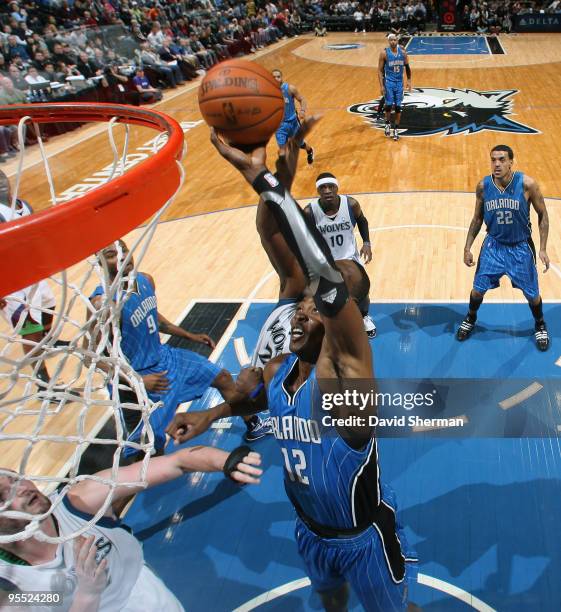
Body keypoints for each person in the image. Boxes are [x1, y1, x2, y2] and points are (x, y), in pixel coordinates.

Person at [168, 122, 418, 610]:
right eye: (305, 300)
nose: (307, 307)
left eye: (323, 301)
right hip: (308, 529)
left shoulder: (348, 376)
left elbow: (326, 281)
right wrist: (209, 416)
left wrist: (266, 179)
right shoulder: (283, 365)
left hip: (361, 537)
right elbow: (257, 396)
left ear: (347, 313)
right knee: (330, 602)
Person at [0, 445, 261, 610]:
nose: (22, 488)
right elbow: (44, 602)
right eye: (3, 495)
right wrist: (87, 596)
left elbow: (177, 462)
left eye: (16, 479)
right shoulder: (9, 586)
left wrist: (226, 460)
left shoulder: (79, 501)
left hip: (157, 600)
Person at [90, 242, 262, 457]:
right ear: (99, 264)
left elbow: (152, 315)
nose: (122, 256)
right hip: (141, 376)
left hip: (166, 357)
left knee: (222, 377)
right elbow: (92, 357)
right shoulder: (103, 304)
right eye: (111, 255)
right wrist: (138, 381)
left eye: (123, 250)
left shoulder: (145, 280)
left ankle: (254, 424)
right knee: (151, 445)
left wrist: (188, 335)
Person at [457, 145, 550, 351]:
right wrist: (467, 246)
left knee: (532, 295)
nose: (497, 164)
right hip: (493, 246)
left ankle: (540, 324)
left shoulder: (527, 184)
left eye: (501, 159)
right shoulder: (483, 186)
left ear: (511, 162)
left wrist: (542, 248)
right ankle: (471, 317)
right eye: (493, 160)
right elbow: (477, 218)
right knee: (477, 290)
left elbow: (543, 215)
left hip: (520, 248)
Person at [305, 172, 376, 338]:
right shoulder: (310, 211)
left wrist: (366, 243)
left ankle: (364, 317)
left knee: (361, 291)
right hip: (324, 262)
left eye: (331, 187)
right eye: (323, 187)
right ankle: (326, 323)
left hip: (349, 256)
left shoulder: (350, 204)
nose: (328, 190)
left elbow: (362, 220)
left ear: (337, 188)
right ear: (318, 191)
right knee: (322, 296)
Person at [272, 69, 314, 165]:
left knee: (299, 144)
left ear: (282, 78)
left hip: (293, 122)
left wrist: (302, 111)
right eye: (273, 77)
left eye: (278, 76)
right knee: (282, 149)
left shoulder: (290, 89)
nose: (276, 79)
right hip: (279, 126)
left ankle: (310, 150)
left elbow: (302, 99)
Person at [378, 32, 412, 141]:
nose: (393, 41)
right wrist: (381, 85)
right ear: (388, 41)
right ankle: (387, 124)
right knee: (388, 106)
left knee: (398, 107)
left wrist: (409, 81)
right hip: (389, 82)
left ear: (397, 41)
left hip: (399, 83)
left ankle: (396, 130)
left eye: (395, 40)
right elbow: (379, 70)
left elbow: (407, 67)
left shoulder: (403, 53)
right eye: (391, 40)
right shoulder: (384, 53)